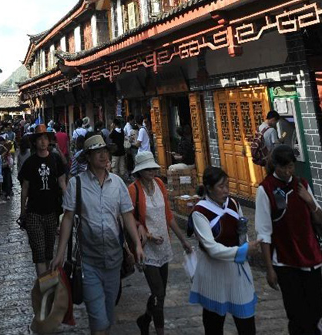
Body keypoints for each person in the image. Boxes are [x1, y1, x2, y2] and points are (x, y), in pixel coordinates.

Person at [51, 135, 145, 335]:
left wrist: (136, 244)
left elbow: (127, 215)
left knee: (109, 315)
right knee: (98, 320)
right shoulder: (76, 184)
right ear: (88, 157)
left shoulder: (118, 183)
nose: (103, 156)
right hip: (88, 262)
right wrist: (59, 254)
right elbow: (67, 219)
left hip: (114, 261)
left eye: (105, 151)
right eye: (98, 152)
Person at [255, 145, 322, 335]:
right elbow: (264, 232)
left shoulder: (302, 185)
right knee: (297, 314)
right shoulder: (266, 189)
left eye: (291, 167)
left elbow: (319, 219)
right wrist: (269, 269)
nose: (287, 171)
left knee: (316, 309)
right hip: (286, 260)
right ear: (274, 165)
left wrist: (309, 201)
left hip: (311, 258)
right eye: (283, 167)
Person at [189, 166, 258, 335]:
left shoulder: (233, 203)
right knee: (214, 324)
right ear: (209, 188)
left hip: (237, 271)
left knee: (246, 323)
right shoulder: (199, 212)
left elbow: (242, 231)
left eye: (227, 185)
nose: (226, 190)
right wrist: (242, 252)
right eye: (221, 187)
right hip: (214, 272)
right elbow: (211, 248)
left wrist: (245, 245)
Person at [128, 151, 192, 335]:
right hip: (146, 249)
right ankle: (160, 331)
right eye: (146, 168)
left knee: (160, 292)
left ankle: (145, 319)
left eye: (152, 168)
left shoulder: (160, 184)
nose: (151, 171)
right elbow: (128, 219)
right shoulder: (134, 189)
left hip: (163, 246)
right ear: (139, 171)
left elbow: (168, 216)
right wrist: (147, 235)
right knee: (158, 292)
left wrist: (183, 241)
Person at [19, 124, 67, 276]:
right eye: (40, 139)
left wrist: (68, 206)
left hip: (52, 211)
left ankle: (49, 286)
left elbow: (62, 183)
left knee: (48, 252)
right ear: (35, 142)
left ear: (49, 141)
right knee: (39, 253)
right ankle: (43, 288)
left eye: (45, 139)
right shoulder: (29, 163)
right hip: (34, 212)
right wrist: (22, 211)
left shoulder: (55, 160)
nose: (43, 142)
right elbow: (25, 188)